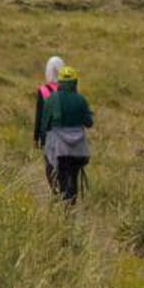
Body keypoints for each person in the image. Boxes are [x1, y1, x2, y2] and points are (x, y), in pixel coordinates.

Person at [39, 65, 93, 204]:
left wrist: (42, 141)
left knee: (58, 173)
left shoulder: (52, 99)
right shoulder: (81, 100)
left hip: (58, 147)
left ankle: (61, 200)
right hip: (78, 149)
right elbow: (89, 123)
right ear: (75, 83)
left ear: (60, 82)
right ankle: (71, 202)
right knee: (73, 175)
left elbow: (44, 124)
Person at [32, 56, 65, 192]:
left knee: (49, 163)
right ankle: (63, 189)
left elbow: (39, 116)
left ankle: (54, 190)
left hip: (48, 133)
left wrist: (36, 137)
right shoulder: (68, 90)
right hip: (65, 133)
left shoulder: (43, 90)